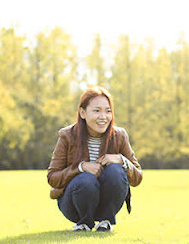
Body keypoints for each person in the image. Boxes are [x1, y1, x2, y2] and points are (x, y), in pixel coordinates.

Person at [47, 87, 142, 232]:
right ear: (83, 113)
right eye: (97, 111)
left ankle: (105, 222)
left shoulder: (120, 136)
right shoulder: (67, 135)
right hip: (74, 203)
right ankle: (83, 223)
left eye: (108, 111)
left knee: (116, 170)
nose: (103, 116)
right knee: (86, 179)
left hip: (107, 203)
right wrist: (81, 167)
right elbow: (53, 178)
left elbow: (137, 178)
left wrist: (122, 160)